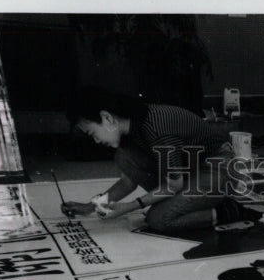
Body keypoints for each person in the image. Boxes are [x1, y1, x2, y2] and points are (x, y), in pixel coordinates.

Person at [61, 87, 252, 233]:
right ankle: (196, 200)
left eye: (92, 133)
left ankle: (230, 209)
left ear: (107, 117)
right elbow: (128, 182)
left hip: (217, 167)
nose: (95, 140)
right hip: (188, 169)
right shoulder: (132, 129)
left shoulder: (156, 129)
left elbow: (173, 186)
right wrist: (90, 207)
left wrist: (130, 206)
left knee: (159, 219)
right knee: (124, 157)